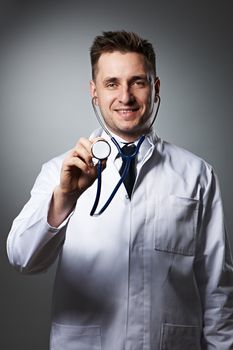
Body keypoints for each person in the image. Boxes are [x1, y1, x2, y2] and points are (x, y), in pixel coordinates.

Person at [7, 30, 233, 349]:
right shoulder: (60, 172)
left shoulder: (197, 174)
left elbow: (217, 287)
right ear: (94, 92)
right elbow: (22, 259)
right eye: (111, 83)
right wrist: (65, 198)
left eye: (137, 82)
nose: (125, 96)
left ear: (155, 88)